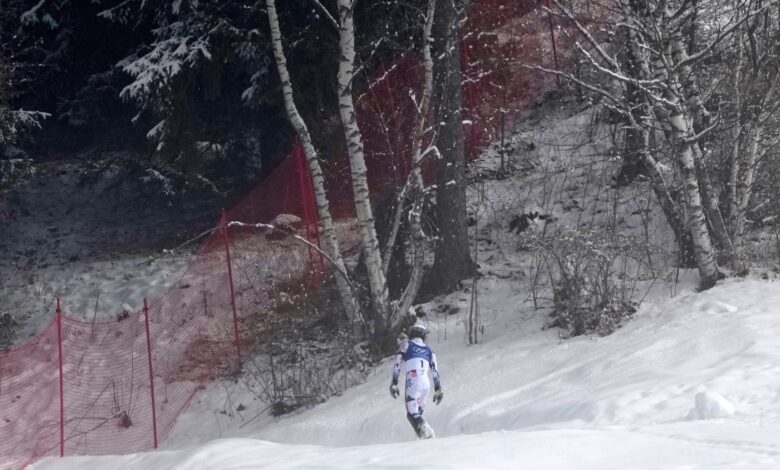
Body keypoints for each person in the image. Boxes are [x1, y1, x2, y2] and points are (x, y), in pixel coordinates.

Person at [389, 323, 443, 439]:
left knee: (412, 414)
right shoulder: (429, 350)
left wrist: (394, 382)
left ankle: (428, 435)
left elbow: (398, 362)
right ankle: (420, 443)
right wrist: (438, 389)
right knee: (418, 414)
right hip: (425, 382)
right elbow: (435, 371)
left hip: (413, 379)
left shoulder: (407, 345)